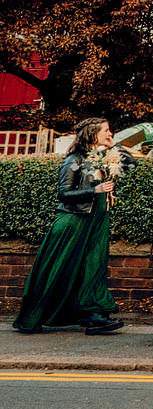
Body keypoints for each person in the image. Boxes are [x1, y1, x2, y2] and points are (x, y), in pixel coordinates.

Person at [14, 117, 123, 335]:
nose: (110, 134)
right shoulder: (74, 160)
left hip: (96, 221)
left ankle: (94, 314)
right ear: (93, 134)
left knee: (94, 266)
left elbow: (130, 163)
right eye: (106, 131)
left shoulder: (102, 157)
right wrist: (95, 191)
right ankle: (34, 316)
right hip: (74, 221)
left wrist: (114, 147)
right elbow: (64, 193)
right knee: (60, 269)